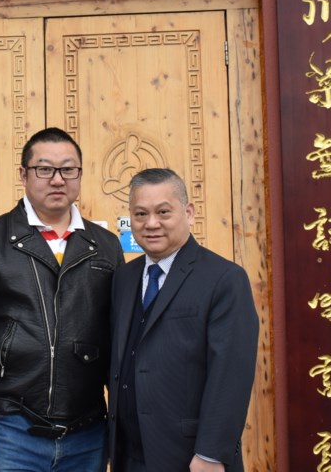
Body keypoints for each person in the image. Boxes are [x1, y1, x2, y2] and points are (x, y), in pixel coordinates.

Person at [0, 127, 124, 472]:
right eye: (44, 169)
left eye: (68, 169)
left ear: (79, 175)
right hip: (11, 430)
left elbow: (119, 342)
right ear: (24, 175)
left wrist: (122, 430)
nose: (57, 179)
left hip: (88, 432)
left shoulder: (105, 246)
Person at [109, 168, 259, 472]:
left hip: (191, 458)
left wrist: (211, 454)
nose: (151, 223)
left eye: (163, 212)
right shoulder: (124, 278)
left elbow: (232, 374)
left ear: (188, 213)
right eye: (140, 214)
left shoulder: (224, 279)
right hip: (129, 456)